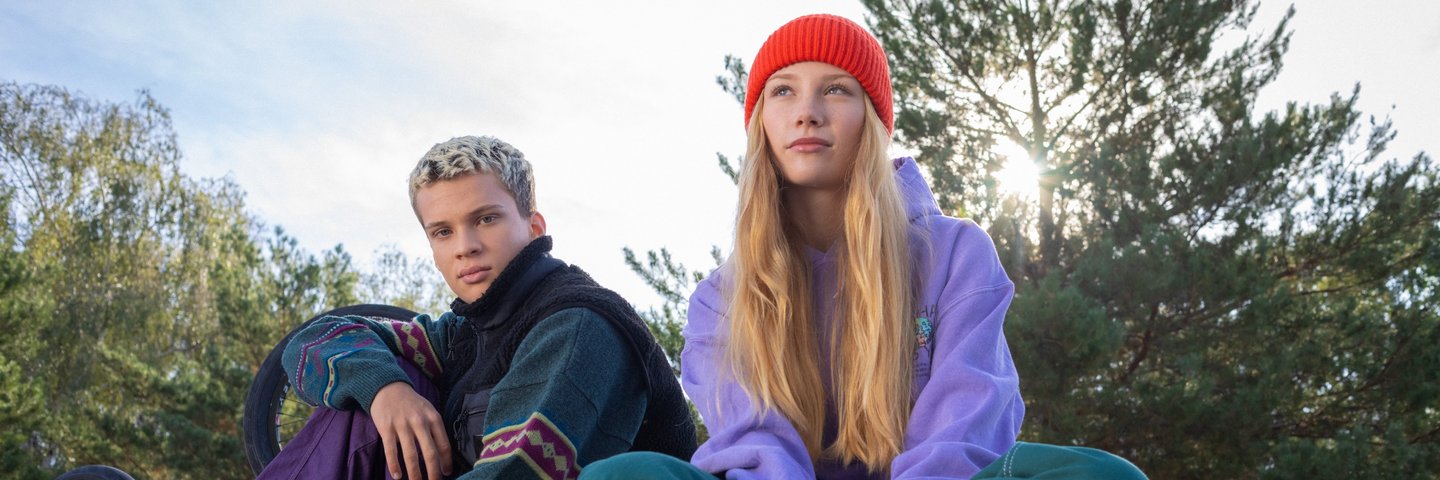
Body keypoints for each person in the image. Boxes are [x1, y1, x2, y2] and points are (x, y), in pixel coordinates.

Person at [580, 14, 1145, 479]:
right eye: (783, 90)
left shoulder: (956, 254)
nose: (807, 111)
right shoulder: (720, 299)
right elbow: (754, 444)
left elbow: (964, 424)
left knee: (1099, 473)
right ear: (761, 125)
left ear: (871, 120)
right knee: (625, 474)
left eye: (835, 89)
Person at [258, 135, 697, 480]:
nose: (465, 247)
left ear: (534, 227)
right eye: (443, 232)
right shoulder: (463, 334)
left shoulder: (577, 324)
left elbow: (517, 474)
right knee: (369, 394)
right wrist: (384, 391)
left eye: (486, 219)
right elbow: (311, 342)